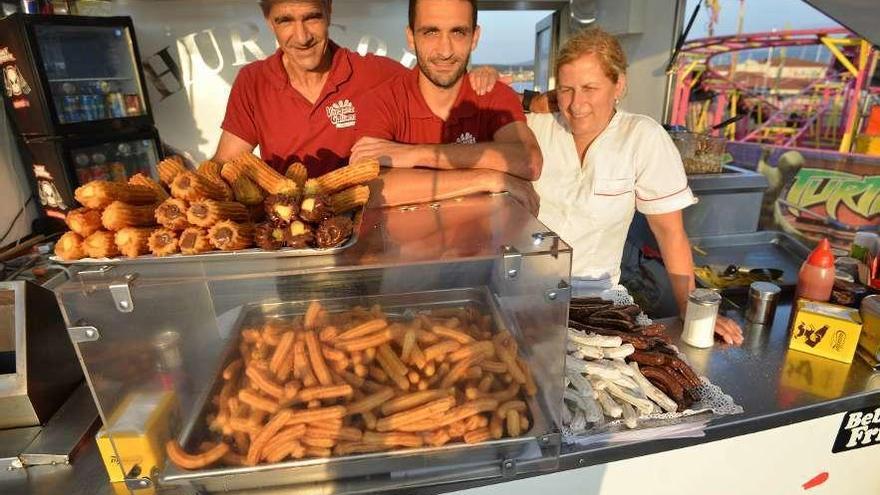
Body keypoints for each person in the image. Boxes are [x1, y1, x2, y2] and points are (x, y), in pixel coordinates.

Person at [528, 28, 743, 345]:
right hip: (523, 292)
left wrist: (690, 310)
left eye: (590, 88)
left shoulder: (641, 137)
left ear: (619, 85)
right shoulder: (535, 128)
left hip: (596, 302)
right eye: (566, 89)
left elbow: (669, 232)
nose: (576, 104)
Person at [213, 0, 502, 176]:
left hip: (367, 239)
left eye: (311, 17)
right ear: (268, 21)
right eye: (285, 20)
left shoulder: (374, 72)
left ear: (329, 10)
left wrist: (479, 77)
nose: (301, 37)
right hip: (288, 238)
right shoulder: (253, 81)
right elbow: (226, 163)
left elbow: (439, 85)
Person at [350, 0, 542, 214]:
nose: (445, 51)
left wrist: (414, 154)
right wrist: (488, 177)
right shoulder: (382, 100)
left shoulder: (494, 95)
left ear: (474, 37)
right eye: (431, 32)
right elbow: (369, 189)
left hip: (482, 245)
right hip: (401, 246)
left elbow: (529, 161)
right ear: (411, 37)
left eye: (458, 32)